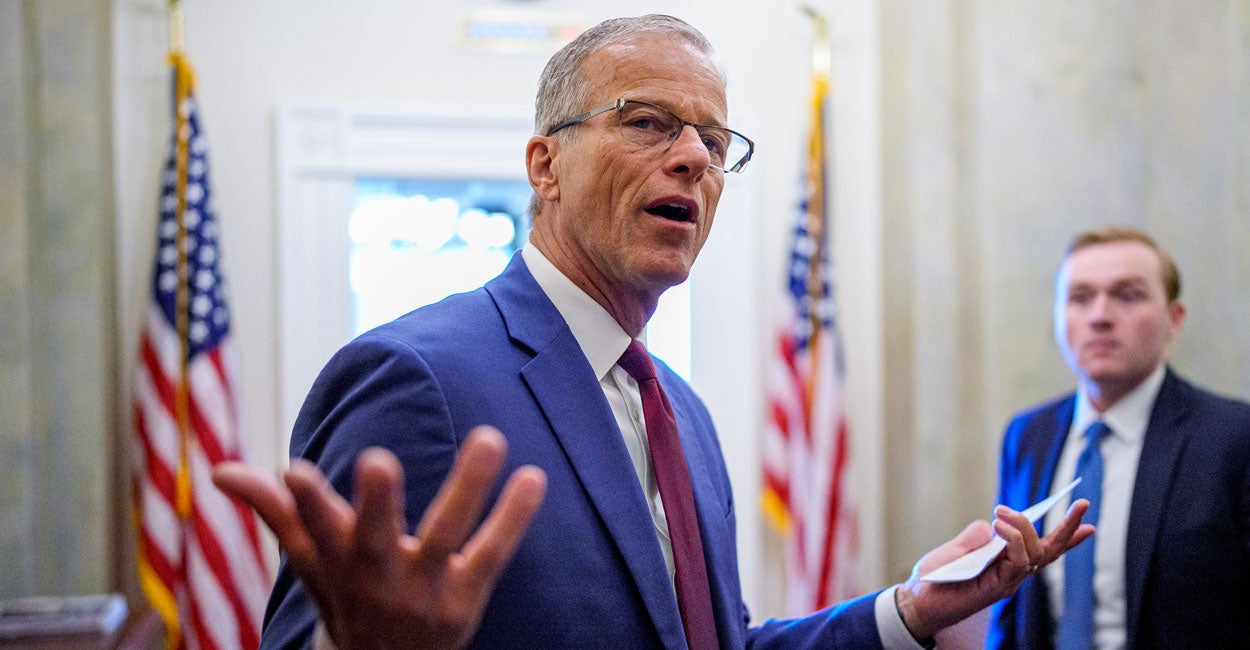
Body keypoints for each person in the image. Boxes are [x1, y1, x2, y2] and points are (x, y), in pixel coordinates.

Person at [213, 15, 1092, 649]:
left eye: (714, 140)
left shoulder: (684, 416)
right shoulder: (415, 378)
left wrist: (910, 610)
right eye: (647, 123)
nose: (695, 158)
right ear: (545, 165)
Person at [987, 226, 1250, 649]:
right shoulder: (1028, 434)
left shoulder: (1235, 438)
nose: (1100, 316)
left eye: (1127, 296)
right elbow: (1010, 609)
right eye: (1080, 297)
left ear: (1174, 318)